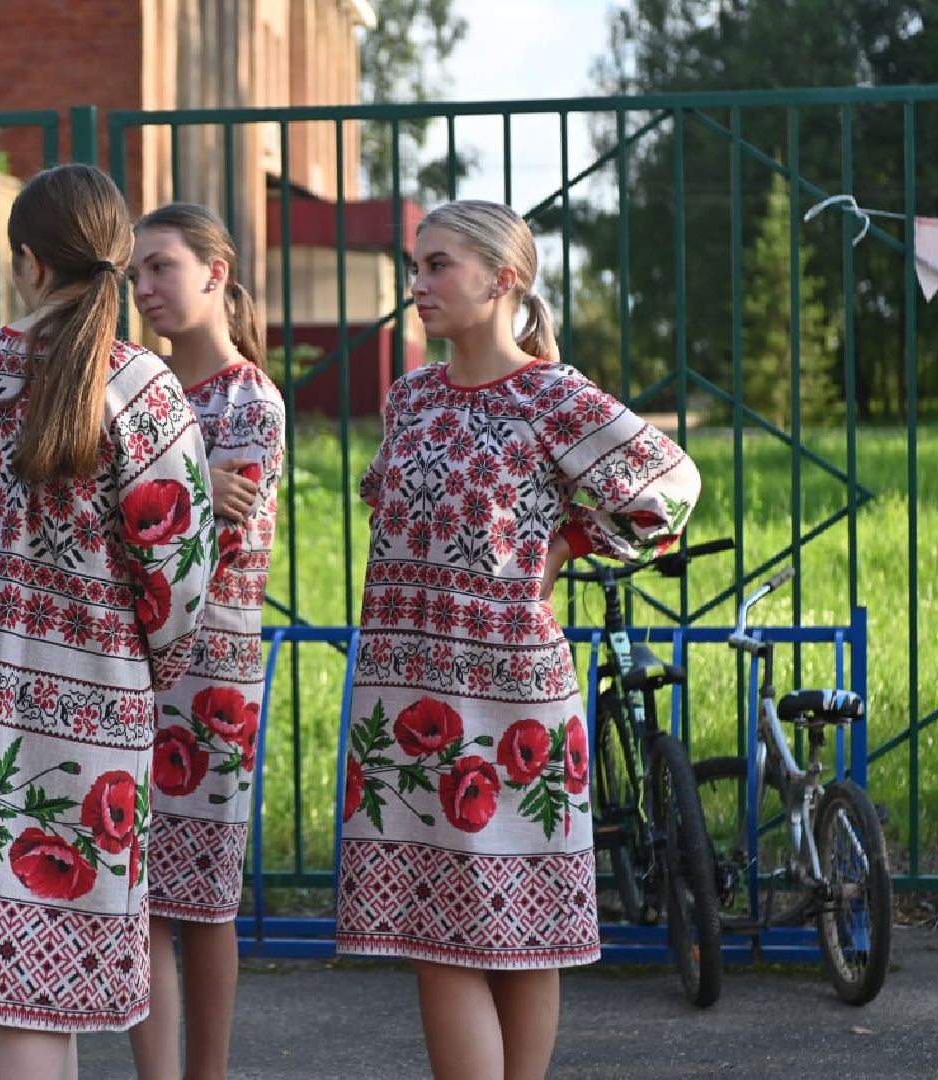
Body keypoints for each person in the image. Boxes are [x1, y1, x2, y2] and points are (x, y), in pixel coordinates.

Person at [337, 199, 701, 1080]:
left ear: (503, 279)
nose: (417, 284)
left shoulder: (552, 395)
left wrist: (570, 542)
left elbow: (671, 487)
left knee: (526, 932)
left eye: (438, 265)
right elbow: (386, 497)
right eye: (415, 265)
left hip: (512, 696)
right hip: (405, 693)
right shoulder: (411, 396)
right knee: (434, 934)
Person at [0, 163, 214, 1080]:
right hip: (95, 705)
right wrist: (150, 666)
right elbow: (178, 573)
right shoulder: (145, 388)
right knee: (46, 991)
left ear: (27, 262)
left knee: (19, 985)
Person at [124, 203, 284, 1080]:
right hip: (131, 664)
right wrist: (189, 478)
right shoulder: (136, 388)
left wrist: (159, 488)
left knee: (206, 898)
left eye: (162, 267)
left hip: (215, 667)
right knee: (141, 893)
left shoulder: (250, 397)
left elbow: (218, 534)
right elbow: (138, 520)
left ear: (216, 273)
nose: (144, 288)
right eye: (135, 274)